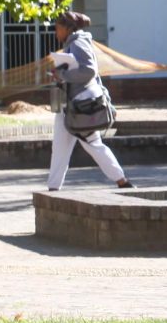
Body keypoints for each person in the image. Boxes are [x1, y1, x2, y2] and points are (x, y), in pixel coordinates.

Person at [46, 10, 133, 191]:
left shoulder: (78, 43)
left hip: (80, 107)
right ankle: (53, 188)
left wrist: (62, 74)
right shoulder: (76, 42)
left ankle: (122, 181)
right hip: (70, 105)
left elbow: (89, 71)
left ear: (65, 28)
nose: (56, 34)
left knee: (93, 144)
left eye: (57, 29)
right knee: (60, 148)